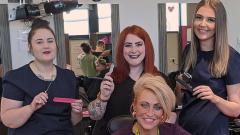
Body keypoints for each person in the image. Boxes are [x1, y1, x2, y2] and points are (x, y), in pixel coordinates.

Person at [1, 18, 83, 135]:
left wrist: (76, 112)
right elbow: (7, 120)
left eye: (50, 41)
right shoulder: (16, 78)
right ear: (30, 47)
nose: (46, 46)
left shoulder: (68, 77)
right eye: (39, 42)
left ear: (56, 45)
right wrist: (31, 107)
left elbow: (74, 121)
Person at [88, 25, 172, 135]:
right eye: (128, 45)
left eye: (138, 44)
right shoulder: (108, 77)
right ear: (121, 49)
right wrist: (103, 97)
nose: (133, 50)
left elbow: (169, 115)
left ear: (146, 47)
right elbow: (94, 116)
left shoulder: (159, 80)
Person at [177, 0, 240, 135]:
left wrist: (214, 98)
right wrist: (178, 87)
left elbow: (236, 110)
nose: (202, 24)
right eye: (199, 17)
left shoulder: (231, 57)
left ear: (219, 25)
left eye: (210, 20)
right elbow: (179, 98)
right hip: (184, 129)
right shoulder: (188, 51)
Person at [112, 73, 190, 135]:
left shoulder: (174, 132)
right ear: (135, 105)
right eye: (144, 105)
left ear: (163, 110)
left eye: (157, 107)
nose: (150, 113)